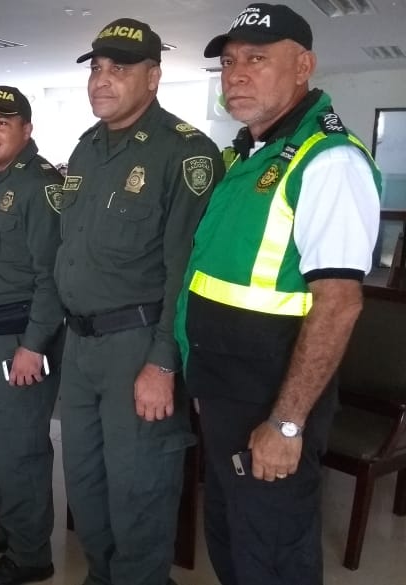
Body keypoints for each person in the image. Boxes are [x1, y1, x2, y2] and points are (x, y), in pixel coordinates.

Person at [176, 4, 381, 584]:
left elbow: (339, 303)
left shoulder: (329, 160)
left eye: (257, 60)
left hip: (274, 402)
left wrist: (287, 424)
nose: (236, 74)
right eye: (229, 62)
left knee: (271, 553)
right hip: (226, 394)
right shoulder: (248, 155)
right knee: (232, 540)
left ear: (303, 67)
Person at [54, 19, 224, 585]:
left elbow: (185, 271)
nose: (101, 81)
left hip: (138, 349)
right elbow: (71, 253)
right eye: (97, 69)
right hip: (79, 349)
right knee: (85, 483)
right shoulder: (87, 147)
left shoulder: (186, 153)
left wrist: (162, 361)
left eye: (119, 69)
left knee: (139, 491)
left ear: (153, 77)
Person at [0, 86, 64, 585]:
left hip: (22, 337)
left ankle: (31, 554)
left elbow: (51, 276)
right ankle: (7, 526)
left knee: (22, 445)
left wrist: (33, 346)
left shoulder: (40, 187)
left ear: (27, 129)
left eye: (2, 121)